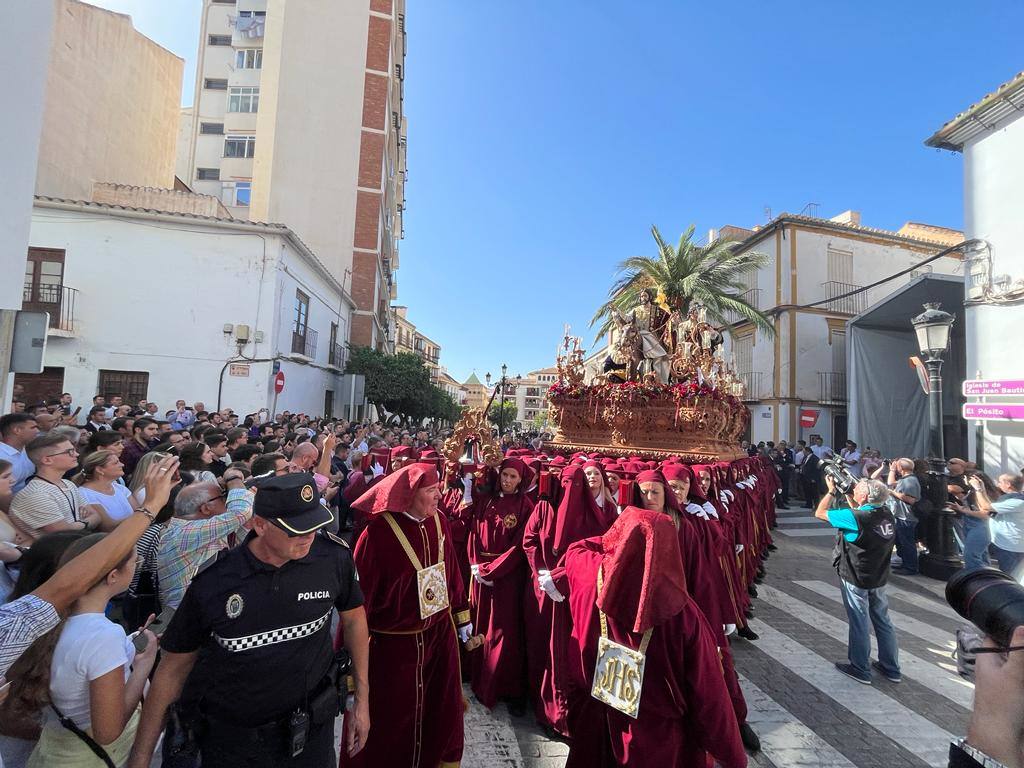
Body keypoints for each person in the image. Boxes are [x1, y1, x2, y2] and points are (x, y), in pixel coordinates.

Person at [127, 473, 370, 768]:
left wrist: (362, 701)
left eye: (314, 525)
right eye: (296, 530)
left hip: (311, 739)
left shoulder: (331, 559)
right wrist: (140, 758)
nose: (309, 536)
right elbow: (173, 669)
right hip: (234, 746)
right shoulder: (216, 581)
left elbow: (355, 620)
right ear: (260, 525)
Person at [560, 507, 746, 768]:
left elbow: (577, 549)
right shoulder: (682, 613)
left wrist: (612, 538)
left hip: (598, 717)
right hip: (657, 739)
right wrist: (732, 755)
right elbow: (709, 692)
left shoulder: (590, 576)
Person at [0, 456, 178, 682]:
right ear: (110, 575)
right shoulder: (99, 637)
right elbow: (111, 717)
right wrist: (142, 668)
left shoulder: (18, 623)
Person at [342, 463, 471, 768]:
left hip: (439, 643)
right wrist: (350, 677)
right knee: (392, 730)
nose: (440, 495)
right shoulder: (377, 535)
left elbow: (451, 574)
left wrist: (462, 617)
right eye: (431, 490)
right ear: (410, 493)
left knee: (437, 718)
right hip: (392, 654)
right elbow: (356, 608)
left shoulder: (439, 521)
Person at [4, 534, 158, 767]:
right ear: (113, 576)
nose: (137, 566)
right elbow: (108, 731)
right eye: (135, 562)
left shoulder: (45, 622)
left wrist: (127, 646)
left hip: (53, 751)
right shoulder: (104, 636)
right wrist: (143, 667)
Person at [815, 476, 900, 684]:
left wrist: (832, 492)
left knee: (859, 620)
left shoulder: (856, 517)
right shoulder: (885, 513)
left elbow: (820, 513)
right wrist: (849, 494)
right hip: (879, 574)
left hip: (856, 574)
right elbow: (860, 512)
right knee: (883, 620)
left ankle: (860, 667)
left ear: (864, 495)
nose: (855, 491)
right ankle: (891, 668)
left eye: (858, 490)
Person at [468, 457, 535, 713]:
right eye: (505, 475)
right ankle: (479, 677)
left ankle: (503, 686)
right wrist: (475, 565)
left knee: (503, 630)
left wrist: (492, 571)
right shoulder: (488, 501)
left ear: (521, 480)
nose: (507, 480)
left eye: (513, 477)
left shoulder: (525, 507)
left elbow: (519, 547)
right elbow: (475, 532)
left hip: (506, 577)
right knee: (480, 625)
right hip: (480, 576)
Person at [156, 472, 253, 610]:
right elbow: (240, 512)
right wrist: (234, 479)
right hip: (186, 619)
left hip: (203, 610)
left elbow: (241, 547)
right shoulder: (184, 533)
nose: (228, 500)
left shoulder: (203, 530)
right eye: (224, 496)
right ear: (206, 508)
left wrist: (247, 519)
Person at [9, 434, 103, 542]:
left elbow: (97, 516)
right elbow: (63, 532)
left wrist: (74, 525)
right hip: (59, 555)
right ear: (47, 460)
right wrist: (85, 522)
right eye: (69, 452)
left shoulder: (68, 484)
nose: (76, 454)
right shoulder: (36, 494)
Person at [969, 473, 1024, 581]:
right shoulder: (1007, 499)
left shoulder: (1017, 501)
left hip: (1011, 546)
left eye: (1000, 482)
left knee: (1011, 576)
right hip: (1005, 544)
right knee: (1009, 574)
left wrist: (978, 489)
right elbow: (988, 511)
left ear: (1008, 484)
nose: (998, 485)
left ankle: (1012, 596)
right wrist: (982, 489)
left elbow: (986, 506)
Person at [74, 450, 139, 529]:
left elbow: (139, 513)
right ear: (99, 470)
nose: (122, 464)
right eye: (116, 463)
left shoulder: (120, 488)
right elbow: (108, 526)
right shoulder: (85, 494)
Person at [885, 458, 921, 576]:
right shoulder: (905, 479)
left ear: (901, 468)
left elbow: (911, 499)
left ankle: (910, 567)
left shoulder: (910, 481)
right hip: (901, 516)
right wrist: (891, 470)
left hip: (907, 517)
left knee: (907, 543)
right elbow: (890, 483)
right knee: (901, 542)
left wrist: (893, 493)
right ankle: (905, 562)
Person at [0, 414, 39, 497]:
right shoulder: (1, 456)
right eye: (33, 427)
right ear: (17, 430)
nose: (37, 431)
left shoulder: (26, 451)